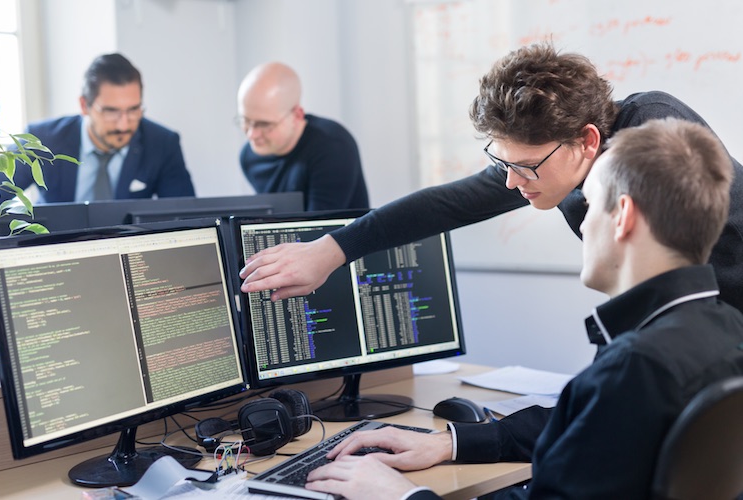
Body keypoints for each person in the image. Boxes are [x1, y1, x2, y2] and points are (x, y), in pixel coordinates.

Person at [303, 117, 743, 500]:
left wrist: (402, 495)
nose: (583, 222)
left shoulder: (634, 369)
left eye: (590, 203)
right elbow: (594, 432)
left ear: (623, 216)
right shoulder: (725, 332)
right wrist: (453, 442)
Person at [238, 42, 743, 316]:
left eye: (524, 168)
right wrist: (331, 250)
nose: (510, 183)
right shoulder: (552, 160)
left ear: (588, 142)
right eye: (504, 163)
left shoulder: (652, 139)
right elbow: (450, 203)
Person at [0, 53, 195, 203]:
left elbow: (185, 218)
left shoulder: (162, 143)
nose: (124, 124)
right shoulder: (41, 139)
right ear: (84, 106)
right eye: (111, 111)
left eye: (133, 110)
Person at [236, 62, 369, 211]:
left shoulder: (333, 147)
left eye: (265, 124)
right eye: (245, 120)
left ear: (297, 115)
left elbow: (322, 228)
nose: (252, 134)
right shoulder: (249, 157)